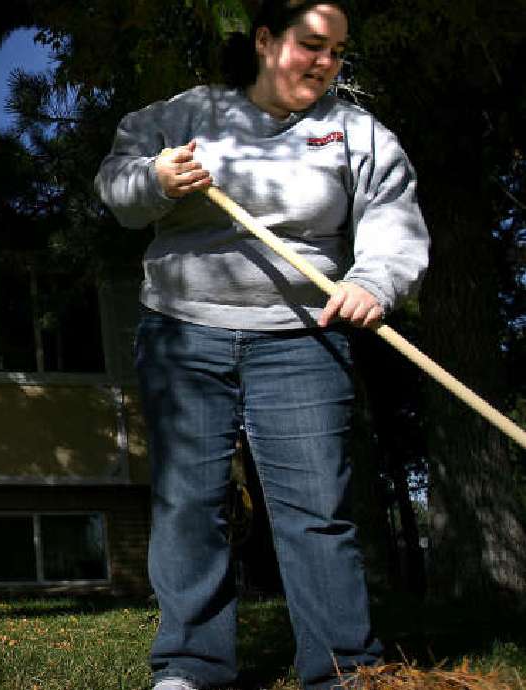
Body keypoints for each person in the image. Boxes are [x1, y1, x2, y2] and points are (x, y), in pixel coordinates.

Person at [94, 2, 429, 689]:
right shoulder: (186, 114)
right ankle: (190, 668)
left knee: (317, 512)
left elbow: (392, 222)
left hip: (304, 339)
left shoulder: (354, 133)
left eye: (336, 51)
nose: (324, 63)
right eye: (310, 45)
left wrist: (373, 281)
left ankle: (342, 670)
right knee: (190, 502)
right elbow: (117, 188)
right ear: (266, 40)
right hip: (183, 332)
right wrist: (156, 181)